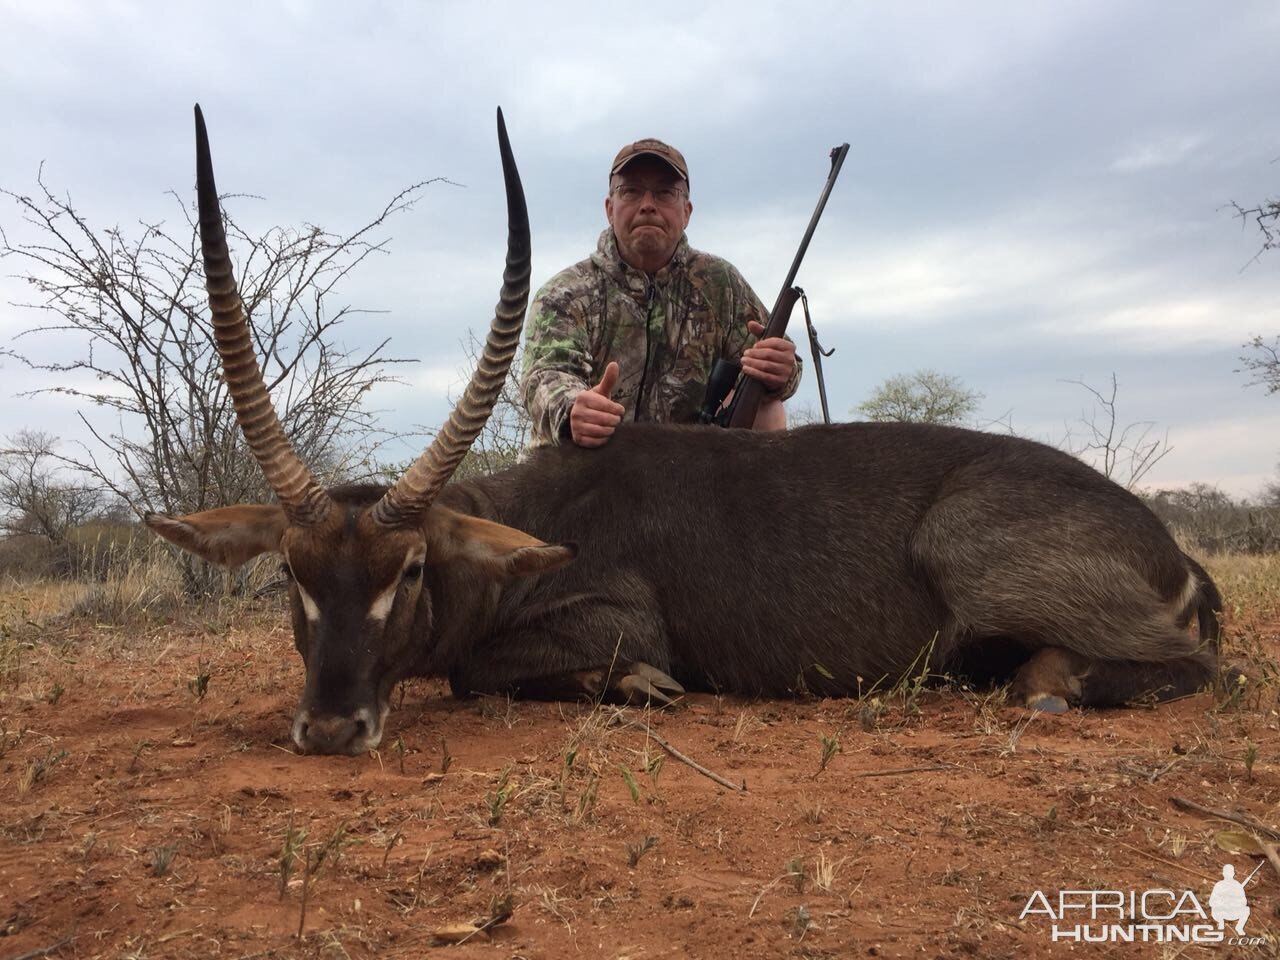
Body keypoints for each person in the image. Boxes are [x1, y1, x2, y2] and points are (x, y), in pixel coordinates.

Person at [520, 137, 802, 448]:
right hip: (591, 467)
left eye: (665, 193)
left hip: (683, 474)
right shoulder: (567, 292)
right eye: (631, 191)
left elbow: (780, 365)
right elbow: (544, 375)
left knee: (768, 410)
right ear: (610, 209)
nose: (648, 205)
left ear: (687, 211)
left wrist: (783, 370)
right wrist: (573, 407)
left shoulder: (720, 284)